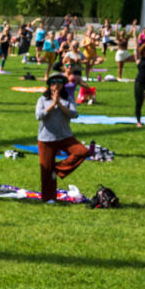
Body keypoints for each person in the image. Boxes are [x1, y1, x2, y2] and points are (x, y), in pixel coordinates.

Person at [36, 74, 89, 202]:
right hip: (46, 139)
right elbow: (39, 116)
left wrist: (59, 105)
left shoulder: (68, 98)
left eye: (59, 82)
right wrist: (52, 105)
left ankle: (57, 170)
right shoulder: (42, 99)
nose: (56, 85)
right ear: (49, 85)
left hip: (65, 136)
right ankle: (49, 198)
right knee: (45, 171)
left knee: (82, 151)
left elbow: (74, 114)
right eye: (53, 82)